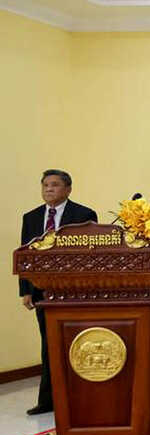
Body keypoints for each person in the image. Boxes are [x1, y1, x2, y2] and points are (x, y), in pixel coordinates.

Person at [19, 170, 98, 415]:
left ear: (68, 189)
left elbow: (91, 255)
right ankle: (47, 401)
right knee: (49, 345)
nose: (49, 189)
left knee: (76, 344)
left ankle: (80, 398)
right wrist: (26, 290)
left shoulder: (84, 215)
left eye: (54, 185)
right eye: (45, 185)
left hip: (75, 292)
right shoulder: (31, 217)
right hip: (42, 292)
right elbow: (25, 256)